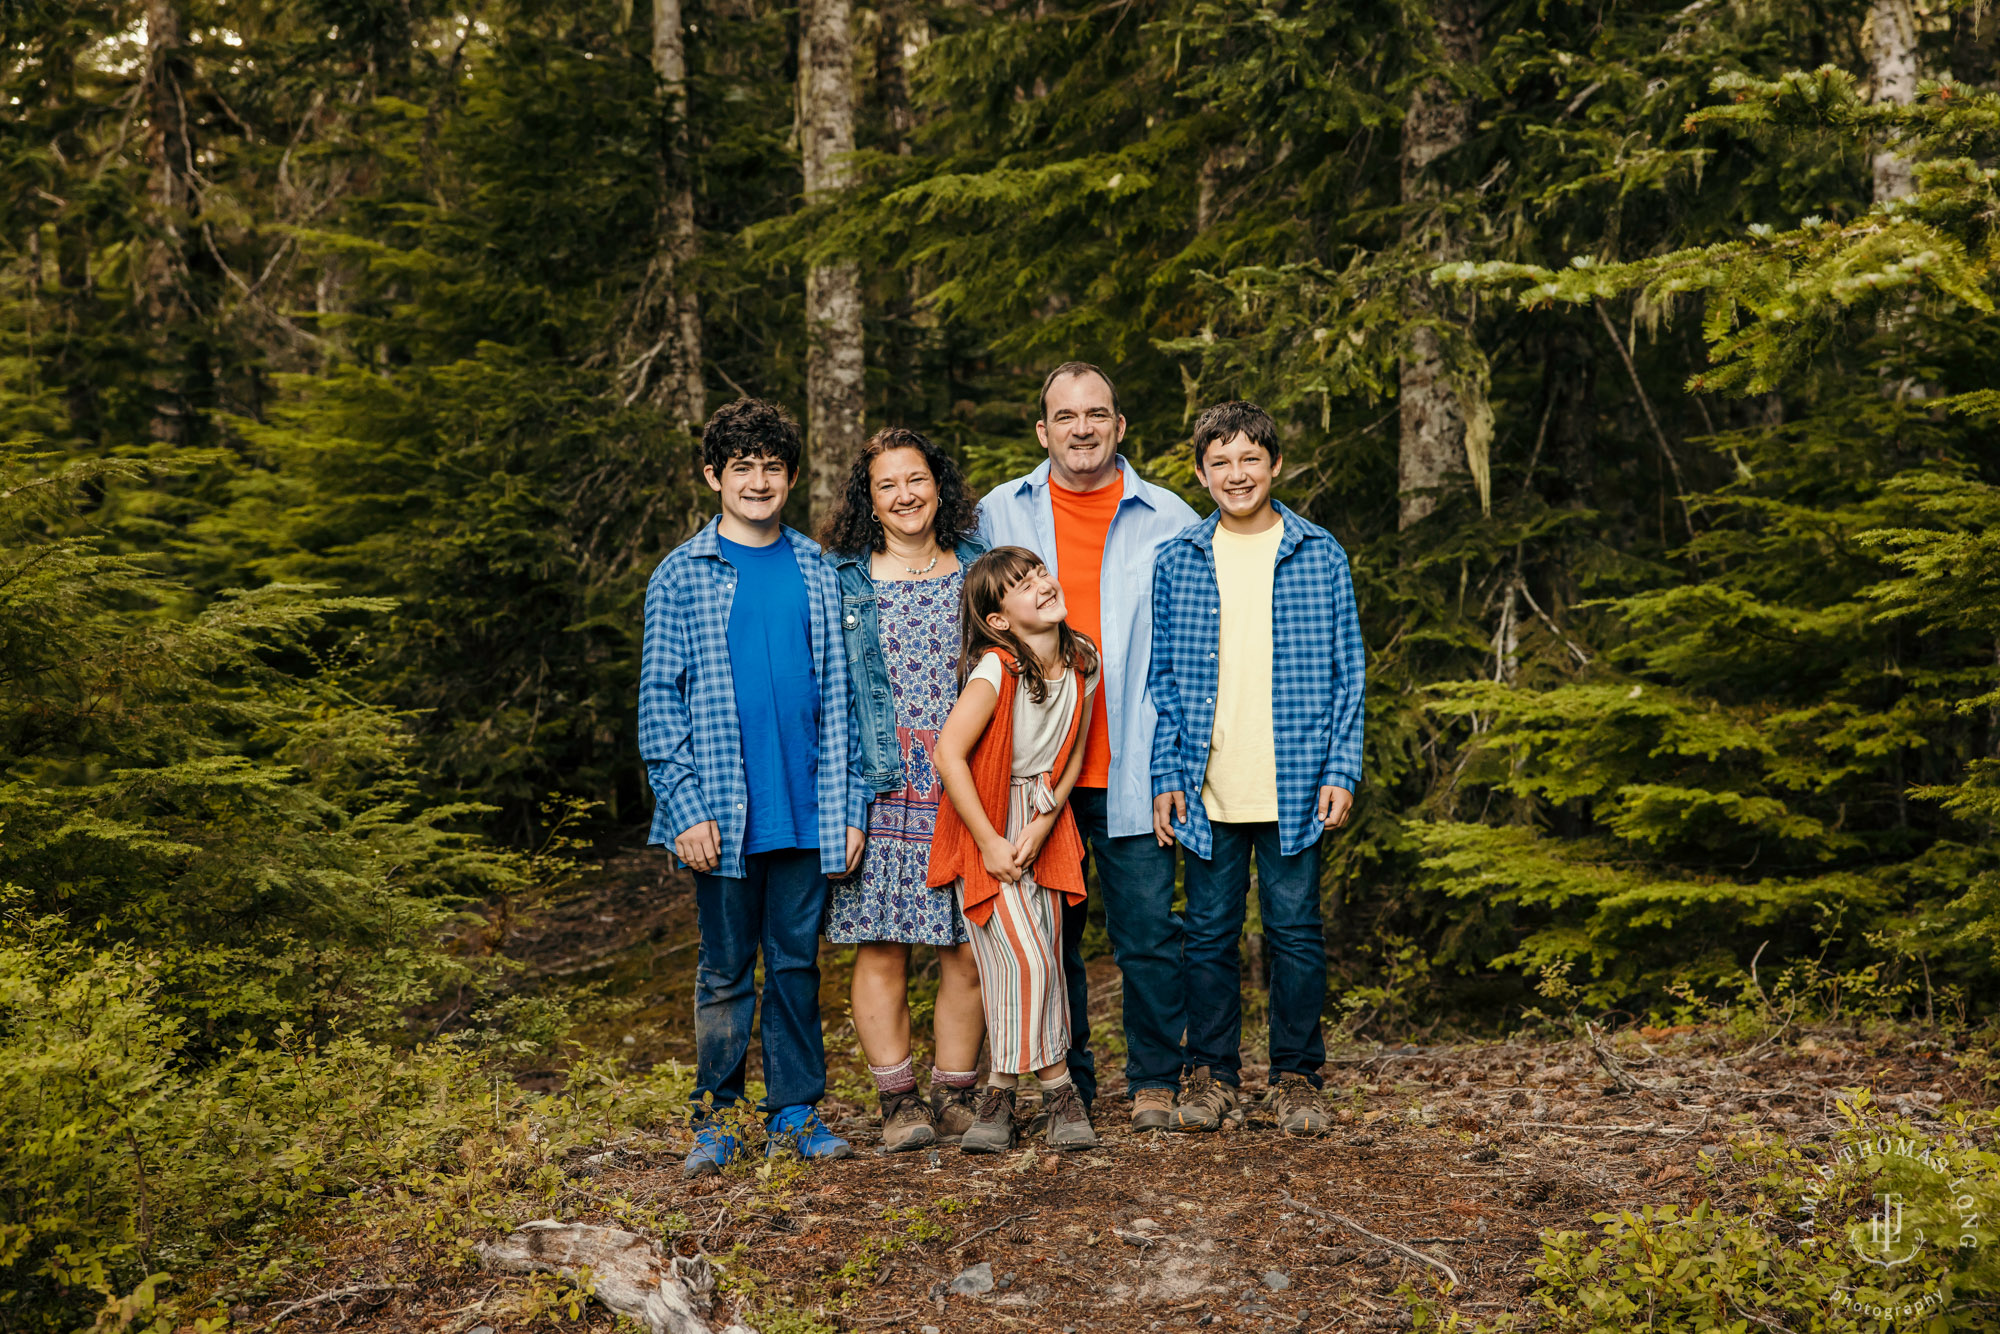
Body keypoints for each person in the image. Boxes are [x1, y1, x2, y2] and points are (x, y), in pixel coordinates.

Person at [637, 397, 869, 1177]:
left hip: (806, 810)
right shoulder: (681, 575)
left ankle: (795, 1110)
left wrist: (845, 810)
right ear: (714, 476)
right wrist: (685, 809)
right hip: (721, 818)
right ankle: (720, 1117)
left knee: (797, 964)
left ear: (792, 477)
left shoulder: (816, 568)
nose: (759, 481)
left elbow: (839, 695)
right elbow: (658, 703)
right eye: (743, 468)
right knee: (726, 969)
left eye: (773, 467)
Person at [975, 361, 1199, 1131]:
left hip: (1131, 767)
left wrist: (1177, 759)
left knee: (1147, 936)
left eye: (1096, 414)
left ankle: (1154, 1083)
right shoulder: (998, 511)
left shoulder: (1168, 516)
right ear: (1043, 430)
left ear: (1119, 426)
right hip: (1035, 778)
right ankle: (1065, 1084)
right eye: (1065, 416)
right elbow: (973, 626)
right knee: (1050, 941)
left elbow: (1185, 652)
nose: (1081, 428)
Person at [1148, 400, 1366, 1136]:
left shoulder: (1318, 551)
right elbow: (1164, 678)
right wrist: (1166, 777)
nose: (1236, 474)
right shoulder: (1179, 558)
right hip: (1210, 787)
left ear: (1274, 464)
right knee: (1207, 934)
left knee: (1295, 932)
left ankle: (1297, 1077)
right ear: (1202, 473)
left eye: (1250, 459)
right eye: (1220, 462)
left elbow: (1348, 674)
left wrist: (1342, 767)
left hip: (1298, 785)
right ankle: (1212, 1076)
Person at [822, 428, 989, 1151]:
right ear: (870, 500)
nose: (905, 495)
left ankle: (954, 1095)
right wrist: (842, 803)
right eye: (887, 484)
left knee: (968, 949)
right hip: (883, 789)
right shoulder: (845, 581)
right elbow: (827, 696)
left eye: (915, 478)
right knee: (883, 947)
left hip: (972, 787)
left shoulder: (981, 567)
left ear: (938, 484)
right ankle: (898, 1103)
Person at [926, 547, 1101, 1152]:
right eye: (1022, 586)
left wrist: (1046, 819)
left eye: (1039, 574)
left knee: (1037, 956)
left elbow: (1075, 747)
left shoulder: (1083, 659)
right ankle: (1059, 1090)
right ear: (999, 620)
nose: (1041, 586)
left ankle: (999, 1093)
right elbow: (948, 753)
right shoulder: (996, 670)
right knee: (1025, 960)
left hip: (1040, 821)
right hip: (986, 819)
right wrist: (991, 840)